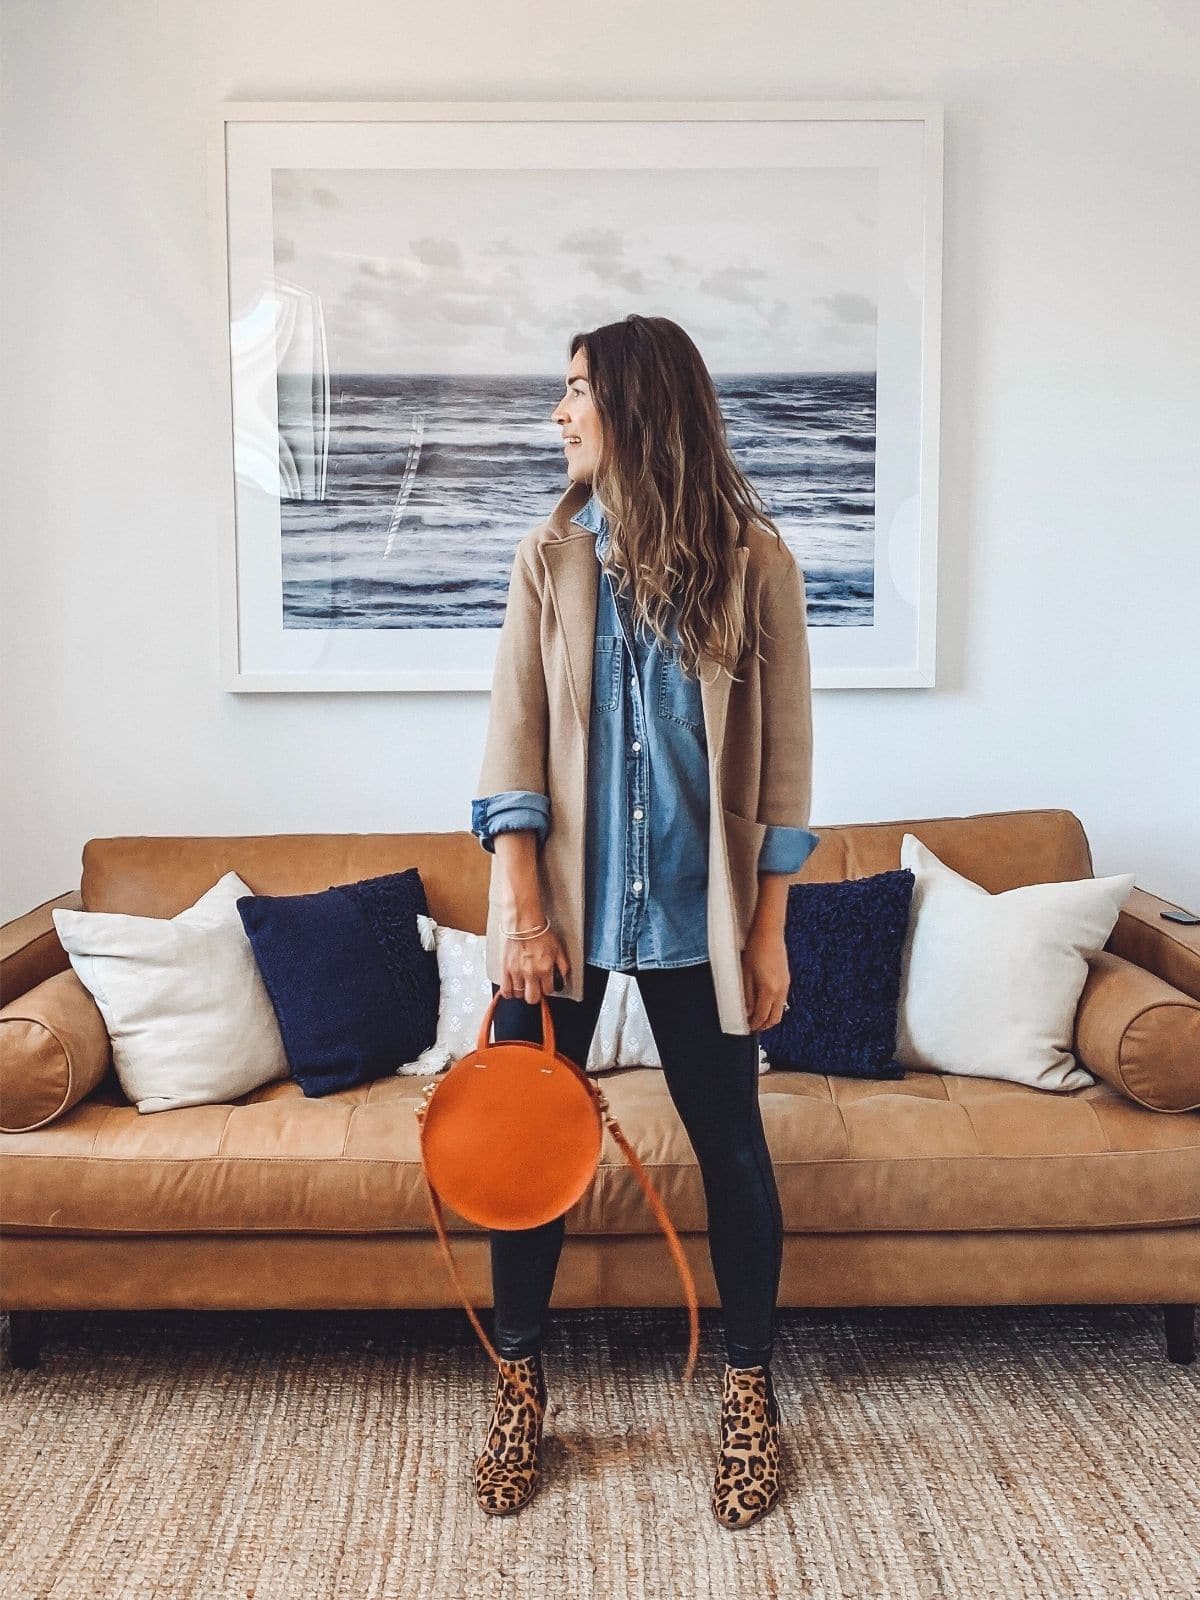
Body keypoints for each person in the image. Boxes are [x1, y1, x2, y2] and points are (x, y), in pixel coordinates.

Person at [468, 314, 819, 1527]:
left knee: (733, 1149)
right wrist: (520, 913)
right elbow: (512, 754)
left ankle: (749, 1397)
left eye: (574, 391)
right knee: (527, 1154)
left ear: (635, 403)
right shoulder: (545, 558)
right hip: (557, 916)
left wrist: (769, 929)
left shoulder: (756, 564)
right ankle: (519, 1389)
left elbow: (780, 779)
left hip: (698, 915)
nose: (559, 414)